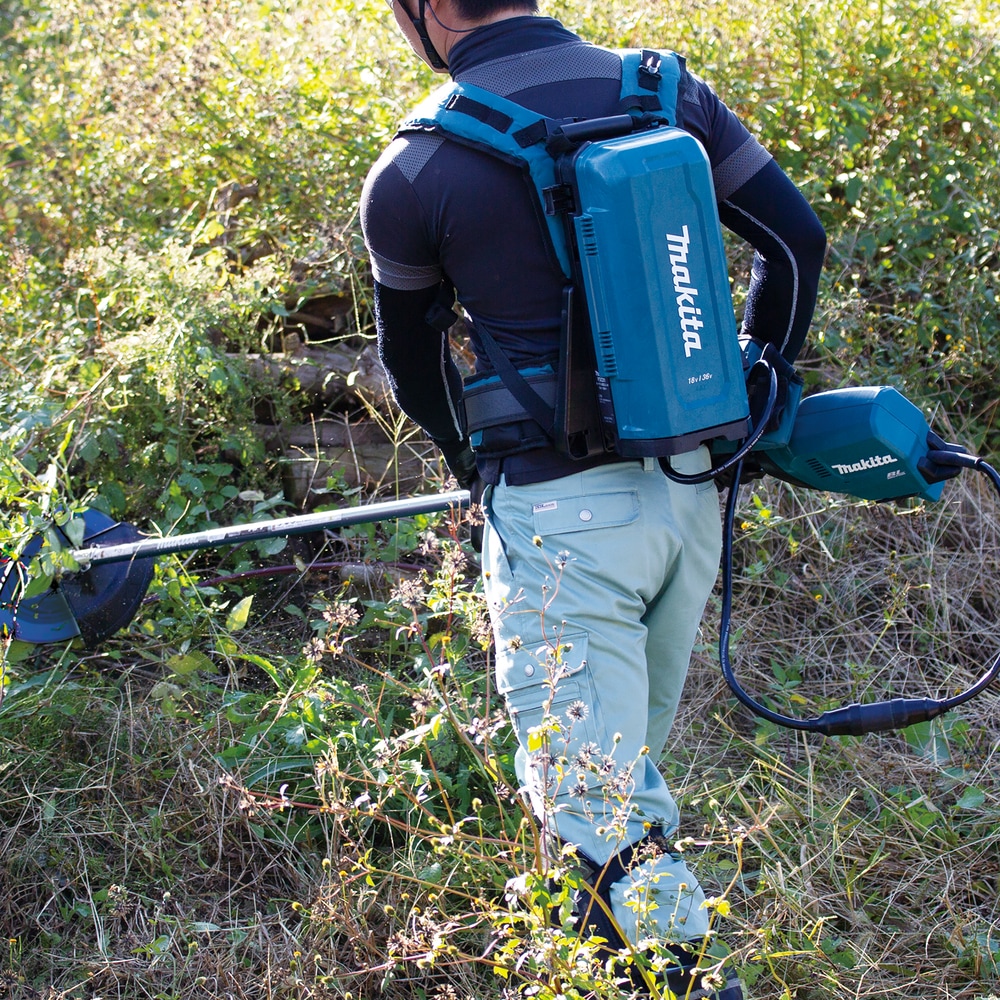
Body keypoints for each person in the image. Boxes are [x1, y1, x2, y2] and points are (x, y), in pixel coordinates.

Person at [361, 2, 826, 997]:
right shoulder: (666, 94)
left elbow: (408, 364)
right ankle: (604, 971)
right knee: (619, 779)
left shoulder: (412, 170)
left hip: (560, 523)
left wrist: (468, 468)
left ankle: (687, 980)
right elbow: (794, 242)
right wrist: (756, 385)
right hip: (687, 500)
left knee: (599, 803)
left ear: (434, 11)